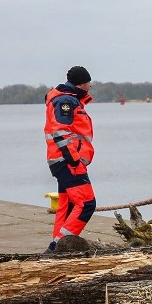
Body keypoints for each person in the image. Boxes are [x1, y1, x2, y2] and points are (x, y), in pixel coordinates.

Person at [43, 66, 97, 252]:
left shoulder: (68, 99)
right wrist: (74, 160)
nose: (90, 86)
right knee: (87, 204)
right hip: (68, 162)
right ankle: (57, 247)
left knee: (68, 206)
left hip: (62, 161)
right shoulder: (66, 101)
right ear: (83, 83)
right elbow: (61, 132)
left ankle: (55, 248)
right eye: (89, 82)